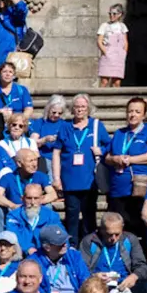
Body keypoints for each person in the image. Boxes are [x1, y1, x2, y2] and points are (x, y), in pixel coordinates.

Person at [52, 93, 108, 241]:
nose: (79, 109)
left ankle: (90, 247)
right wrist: (56, 178)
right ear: (72, 109)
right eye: (76, 106)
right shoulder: (65, 126)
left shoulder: (96, 126)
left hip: (90, 180)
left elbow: (109, 146)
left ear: (88, 108)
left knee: (90, 216)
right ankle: (72, 248)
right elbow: (56, 152)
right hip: (70, 181)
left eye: (83, 106)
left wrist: (101, 151)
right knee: (71, 217)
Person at [104, 97, 147, 239]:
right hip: (118, 189)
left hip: (141, 187)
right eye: (130, 111)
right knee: (121, 228)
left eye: (137, 111)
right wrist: (115, 159)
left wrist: (131, 160)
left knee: (140, 227)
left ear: (144, 115)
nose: (133, 115)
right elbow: (107, 157)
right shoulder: (119, 133)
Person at [97, 3, 128, 87]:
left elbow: (125, 41)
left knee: (117, 82)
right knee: (104, 81)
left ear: (119, 14)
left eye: (114, 14)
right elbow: (99, 41)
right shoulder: (104, 26)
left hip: (119, 56)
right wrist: (106, 52)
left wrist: (123, 54)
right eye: (110, 13)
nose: (111, 15)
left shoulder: (122, 26)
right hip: (108, 55)